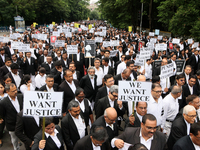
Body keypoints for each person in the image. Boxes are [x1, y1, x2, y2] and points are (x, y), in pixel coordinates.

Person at [0, 83, 23, 150]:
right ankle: (16, 148)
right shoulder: (3, 102)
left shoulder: (20, 96)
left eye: (16, 90)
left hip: (22, 122)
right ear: (7, 92)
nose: (15, 92)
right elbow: (2, 114)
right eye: (13, 91)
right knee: (14, 139)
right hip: (12, 124)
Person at [0, 82, 7, 147]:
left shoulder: (7, 95)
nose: (0, 89)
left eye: (1, 87)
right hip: (0, 115)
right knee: (0, 128)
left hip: (7, 114)